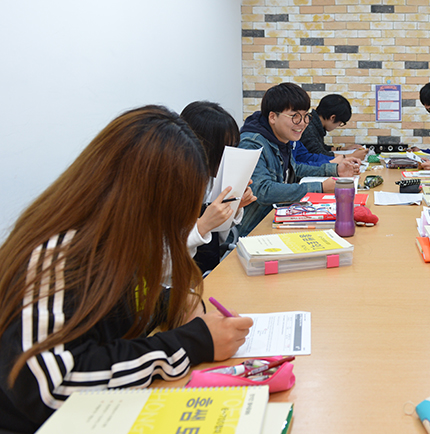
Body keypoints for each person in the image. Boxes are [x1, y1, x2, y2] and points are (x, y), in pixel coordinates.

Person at [0, 105, 253, 433]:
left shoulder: (110, 241)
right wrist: (193, 343)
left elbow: (119, 304)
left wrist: (171, 302)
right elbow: (52, 386)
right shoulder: (58, 256)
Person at [236, 82, 359, 237]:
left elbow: (296, 169)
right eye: (295, 116)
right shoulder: (252, 144)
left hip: (277, 219)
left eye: (305, 116)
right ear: (273, 117)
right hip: (253, 231)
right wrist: (320, 187)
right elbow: (262, 191)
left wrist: (336, 169)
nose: (302, 123)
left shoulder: (282, 138)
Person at [180, 101, 257, 273]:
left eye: (233, 146)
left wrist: (234, 207)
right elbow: (163, 258)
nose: (230, 155)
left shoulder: (208, 180)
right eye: (225, 148)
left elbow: (216, 240)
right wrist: (202, 226)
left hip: (207, 271)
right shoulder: (175, 188)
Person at [300, 93, 368, 160]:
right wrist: (351, 156)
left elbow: (320, 147)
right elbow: (318, 155)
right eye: (340, 123)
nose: (337, 126)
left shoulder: (314, 123)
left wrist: (342, 149)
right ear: (332, 117)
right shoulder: (308, 126)